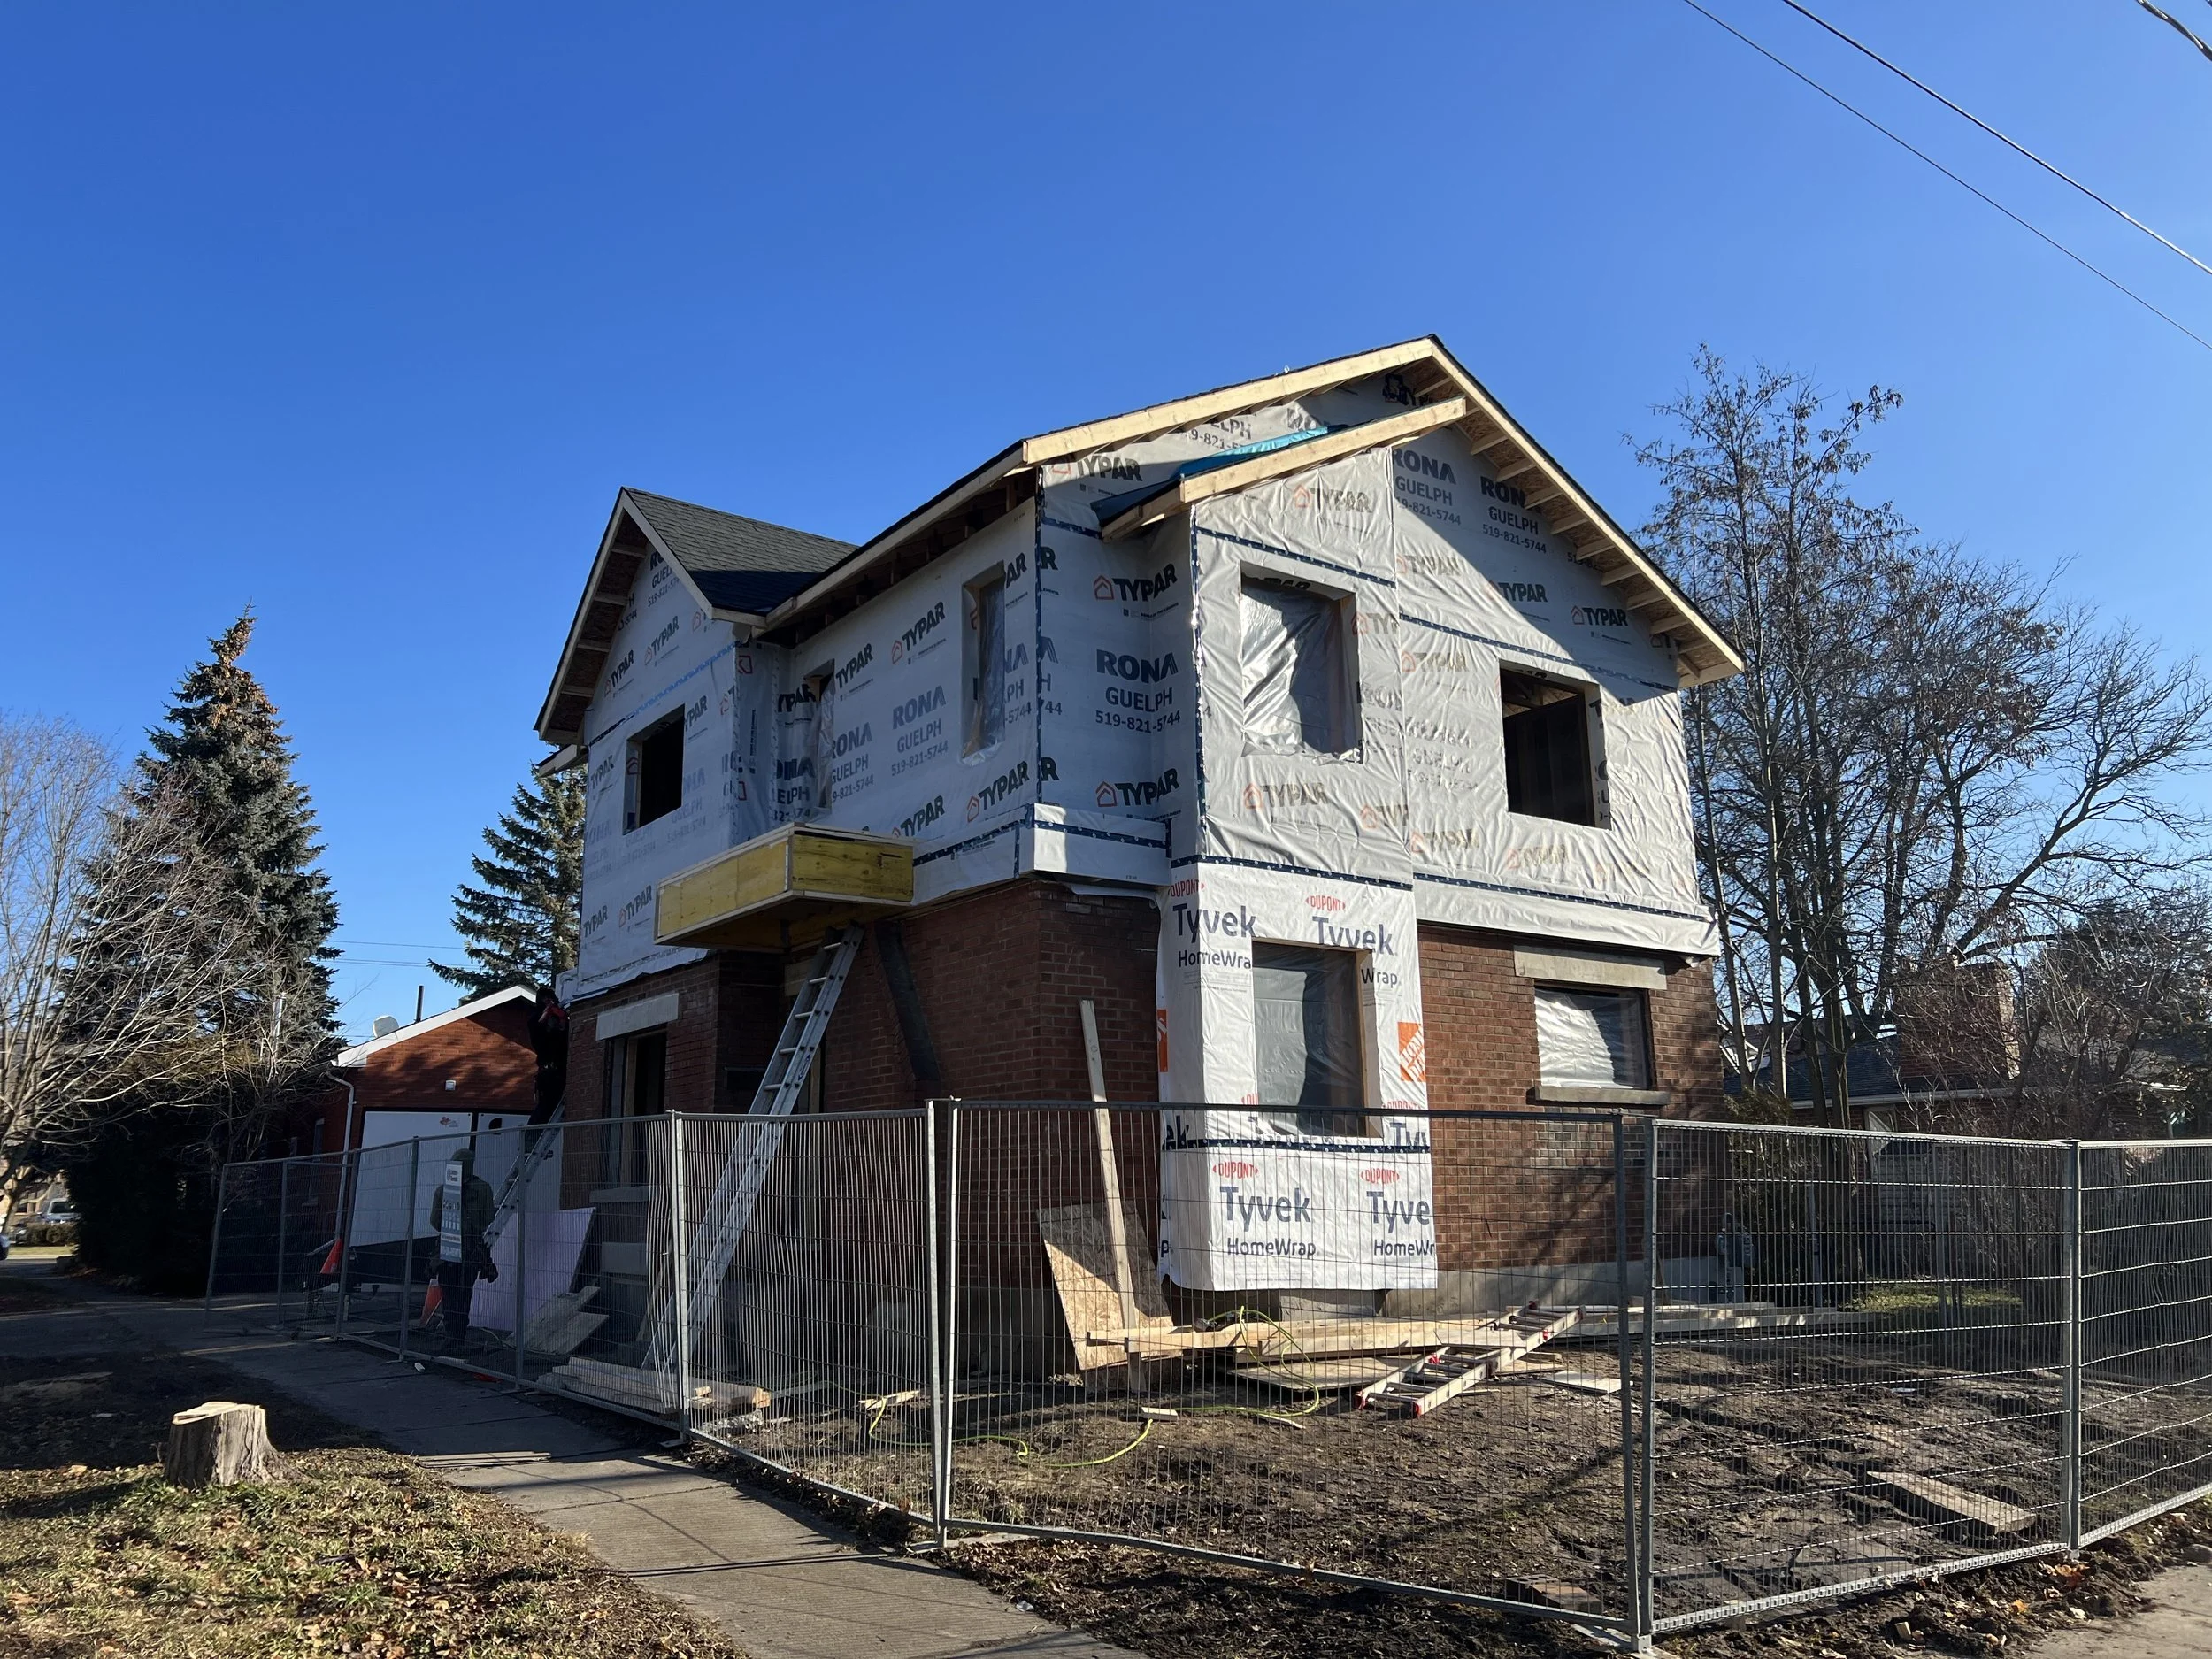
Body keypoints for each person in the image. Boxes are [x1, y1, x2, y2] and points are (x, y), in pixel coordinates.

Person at [429, 1148, 497, 1347]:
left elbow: (435, 1221)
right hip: (471, 1247)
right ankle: (459, 1335)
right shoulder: (483, 1188)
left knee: (448, 1292)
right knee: (464, 1292)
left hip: (447, 1247)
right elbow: (488, 1218)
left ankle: (451, 1334)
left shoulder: (443, 1190)